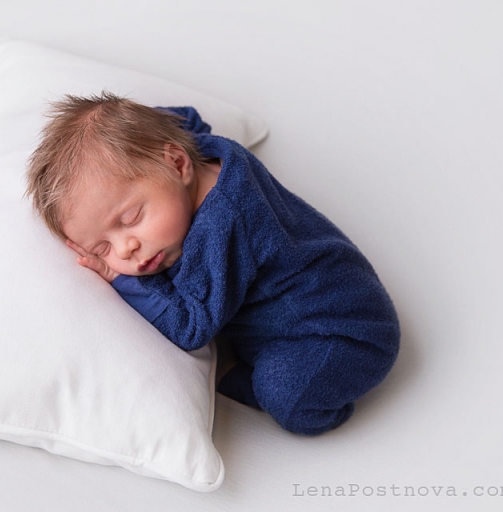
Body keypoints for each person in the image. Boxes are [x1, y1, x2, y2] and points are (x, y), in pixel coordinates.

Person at [26, 92, 400, 435]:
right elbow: (185, 119)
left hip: (340, 335)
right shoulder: (204, 152)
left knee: (285, 391)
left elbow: (189, 325)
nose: (126, 249)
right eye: (102, 248)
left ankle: (314, 408)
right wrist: (134, 129)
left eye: (130, 218)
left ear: (176, 161)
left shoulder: (219, 229)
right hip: (341, 282)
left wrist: (121, 280)